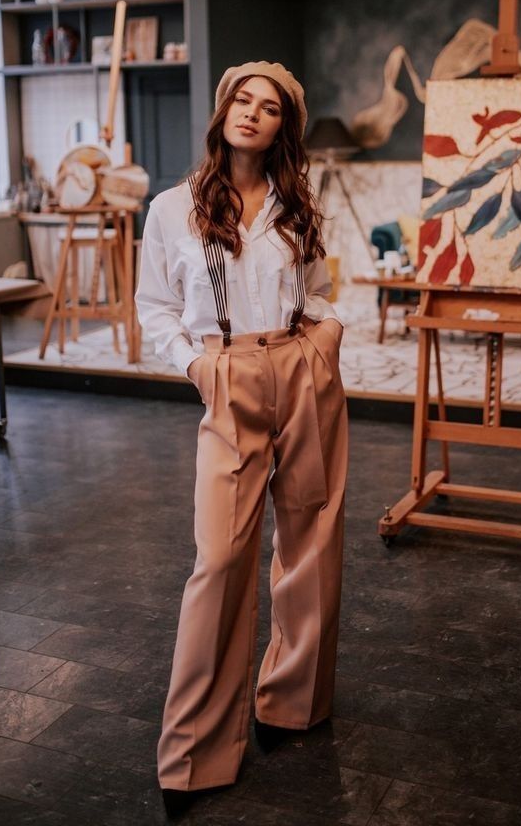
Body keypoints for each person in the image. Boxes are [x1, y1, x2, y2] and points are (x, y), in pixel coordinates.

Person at [135, 61, 349, 818]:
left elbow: (319, 289)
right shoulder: (171, 209)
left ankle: (292, 702)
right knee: (220, 559)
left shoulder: (297, 203)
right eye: (241, 101)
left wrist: (322, 339)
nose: (251, 115)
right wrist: (197, 365)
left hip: (300, 366)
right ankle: (193, 753)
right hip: (227, 377)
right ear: (222, 109)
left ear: (282, 126)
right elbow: (154, 308)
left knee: (311, 541)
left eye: (267, 107)